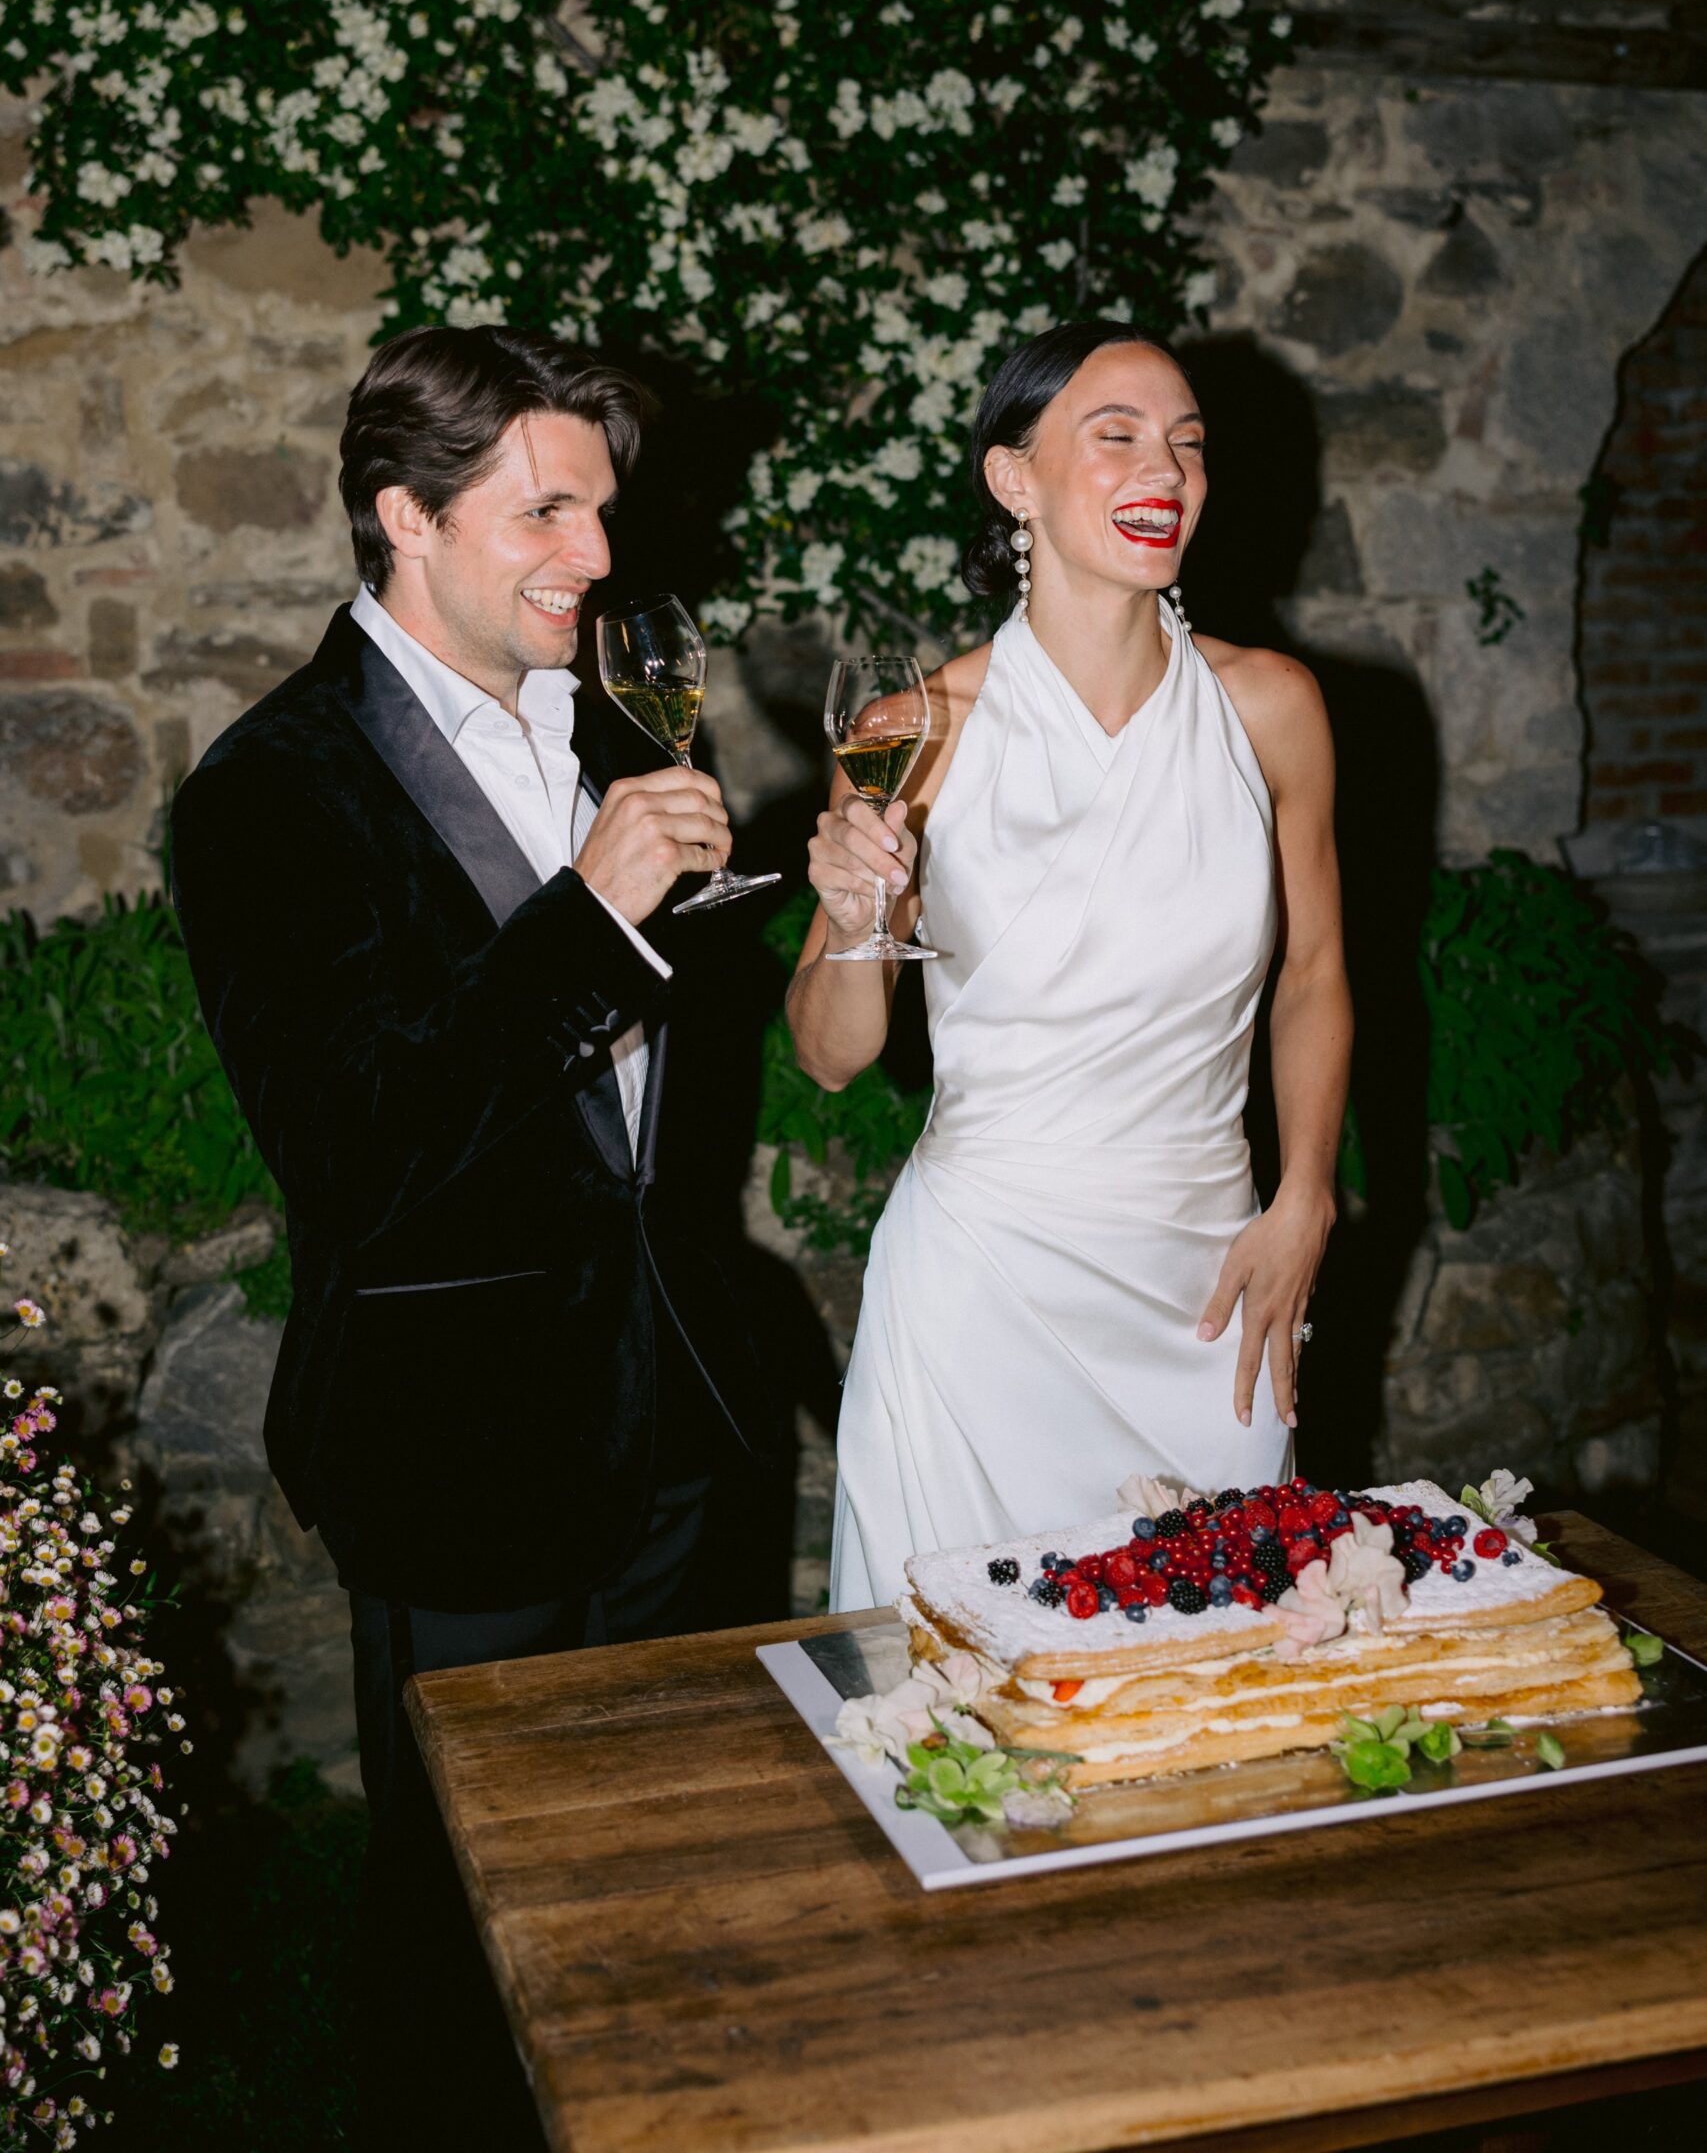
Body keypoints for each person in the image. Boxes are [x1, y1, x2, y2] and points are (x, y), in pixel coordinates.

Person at [171, 325, 767, 2147]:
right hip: (459, 1446)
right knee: (464, 1930)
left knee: (652, 1894)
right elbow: (359, 1156)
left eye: (600, 507)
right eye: (547, 510)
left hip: (669, 1416)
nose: (595, 553)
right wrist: (594, 914)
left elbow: (628, 1108)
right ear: (404, 518)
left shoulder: (603, 730)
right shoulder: (271, 791)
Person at [789, 322, 1353, 1610]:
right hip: (980, 1284)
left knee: (1222, 1690)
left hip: (1208, 1286)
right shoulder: (912, 735)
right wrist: (859, 913)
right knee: (968, 1717)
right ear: (1013, 478)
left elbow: (1313, 971)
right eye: (1118, 436)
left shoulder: (1271, 707)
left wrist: (1306, 1198)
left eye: (1188, 444)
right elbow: (832, 1058)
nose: (1167, 468)